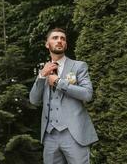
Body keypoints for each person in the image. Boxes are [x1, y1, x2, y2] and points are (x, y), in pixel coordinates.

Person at [29, 28, 98, 164]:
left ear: (65, 45)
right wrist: (42, 76)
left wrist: (58, 82)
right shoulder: (44, 70)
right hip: (50, 136)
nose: (59, 40)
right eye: (55, 38)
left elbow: (87, 94)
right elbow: (33, 100)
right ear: (47, 44)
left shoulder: (79, 66)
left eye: (63, 38)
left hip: (74, 134)